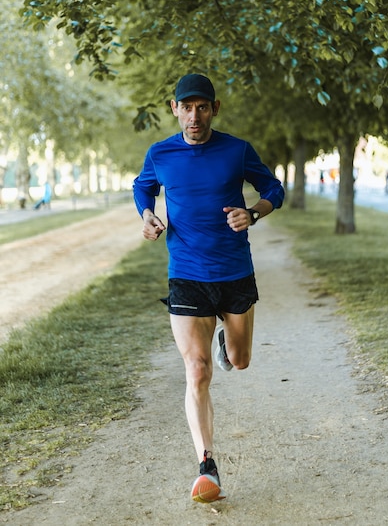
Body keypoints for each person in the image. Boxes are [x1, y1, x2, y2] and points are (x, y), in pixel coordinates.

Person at [132, 73, 285, 504]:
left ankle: (227, 347)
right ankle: (207, 465)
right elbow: (143, 185)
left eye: (203, 107)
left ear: (214, 109)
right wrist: (147, 215)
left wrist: (253, 213)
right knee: (196, 371)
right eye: (187, 107)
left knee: (240, 359)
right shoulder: (160, 153)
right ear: (175, 108)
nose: (194, 115)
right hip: (187, 273)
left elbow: (274, 187)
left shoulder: (236, 150)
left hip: (234, 271)